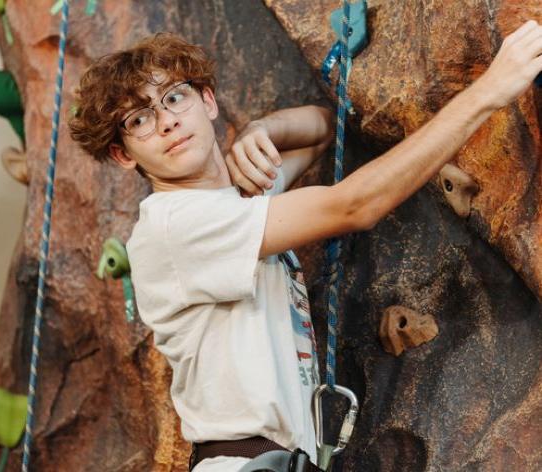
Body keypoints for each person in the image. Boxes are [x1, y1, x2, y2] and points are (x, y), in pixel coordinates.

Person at [68, 21, 542, 471]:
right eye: (140, 119)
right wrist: (488, 92)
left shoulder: (236, 206)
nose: (167, 121)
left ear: (207, 100)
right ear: (122, 154)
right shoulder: (175, 226)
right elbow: (354, 205)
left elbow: (324, 131)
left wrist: (262, 130)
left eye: (174, 97)